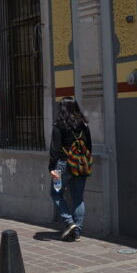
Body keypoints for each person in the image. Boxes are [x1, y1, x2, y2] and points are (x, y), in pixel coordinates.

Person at [49, 96, 92, 241]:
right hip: (80, 165)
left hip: (62, 165)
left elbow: (55, 149)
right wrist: (84, 162)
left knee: (55, 193)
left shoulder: (58, 125)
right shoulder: (84, 124)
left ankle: (69, 222)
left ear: (62, 109)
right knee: (78, 199)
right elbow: (89, 146)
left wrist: (51, 167)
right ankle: (77, 232)